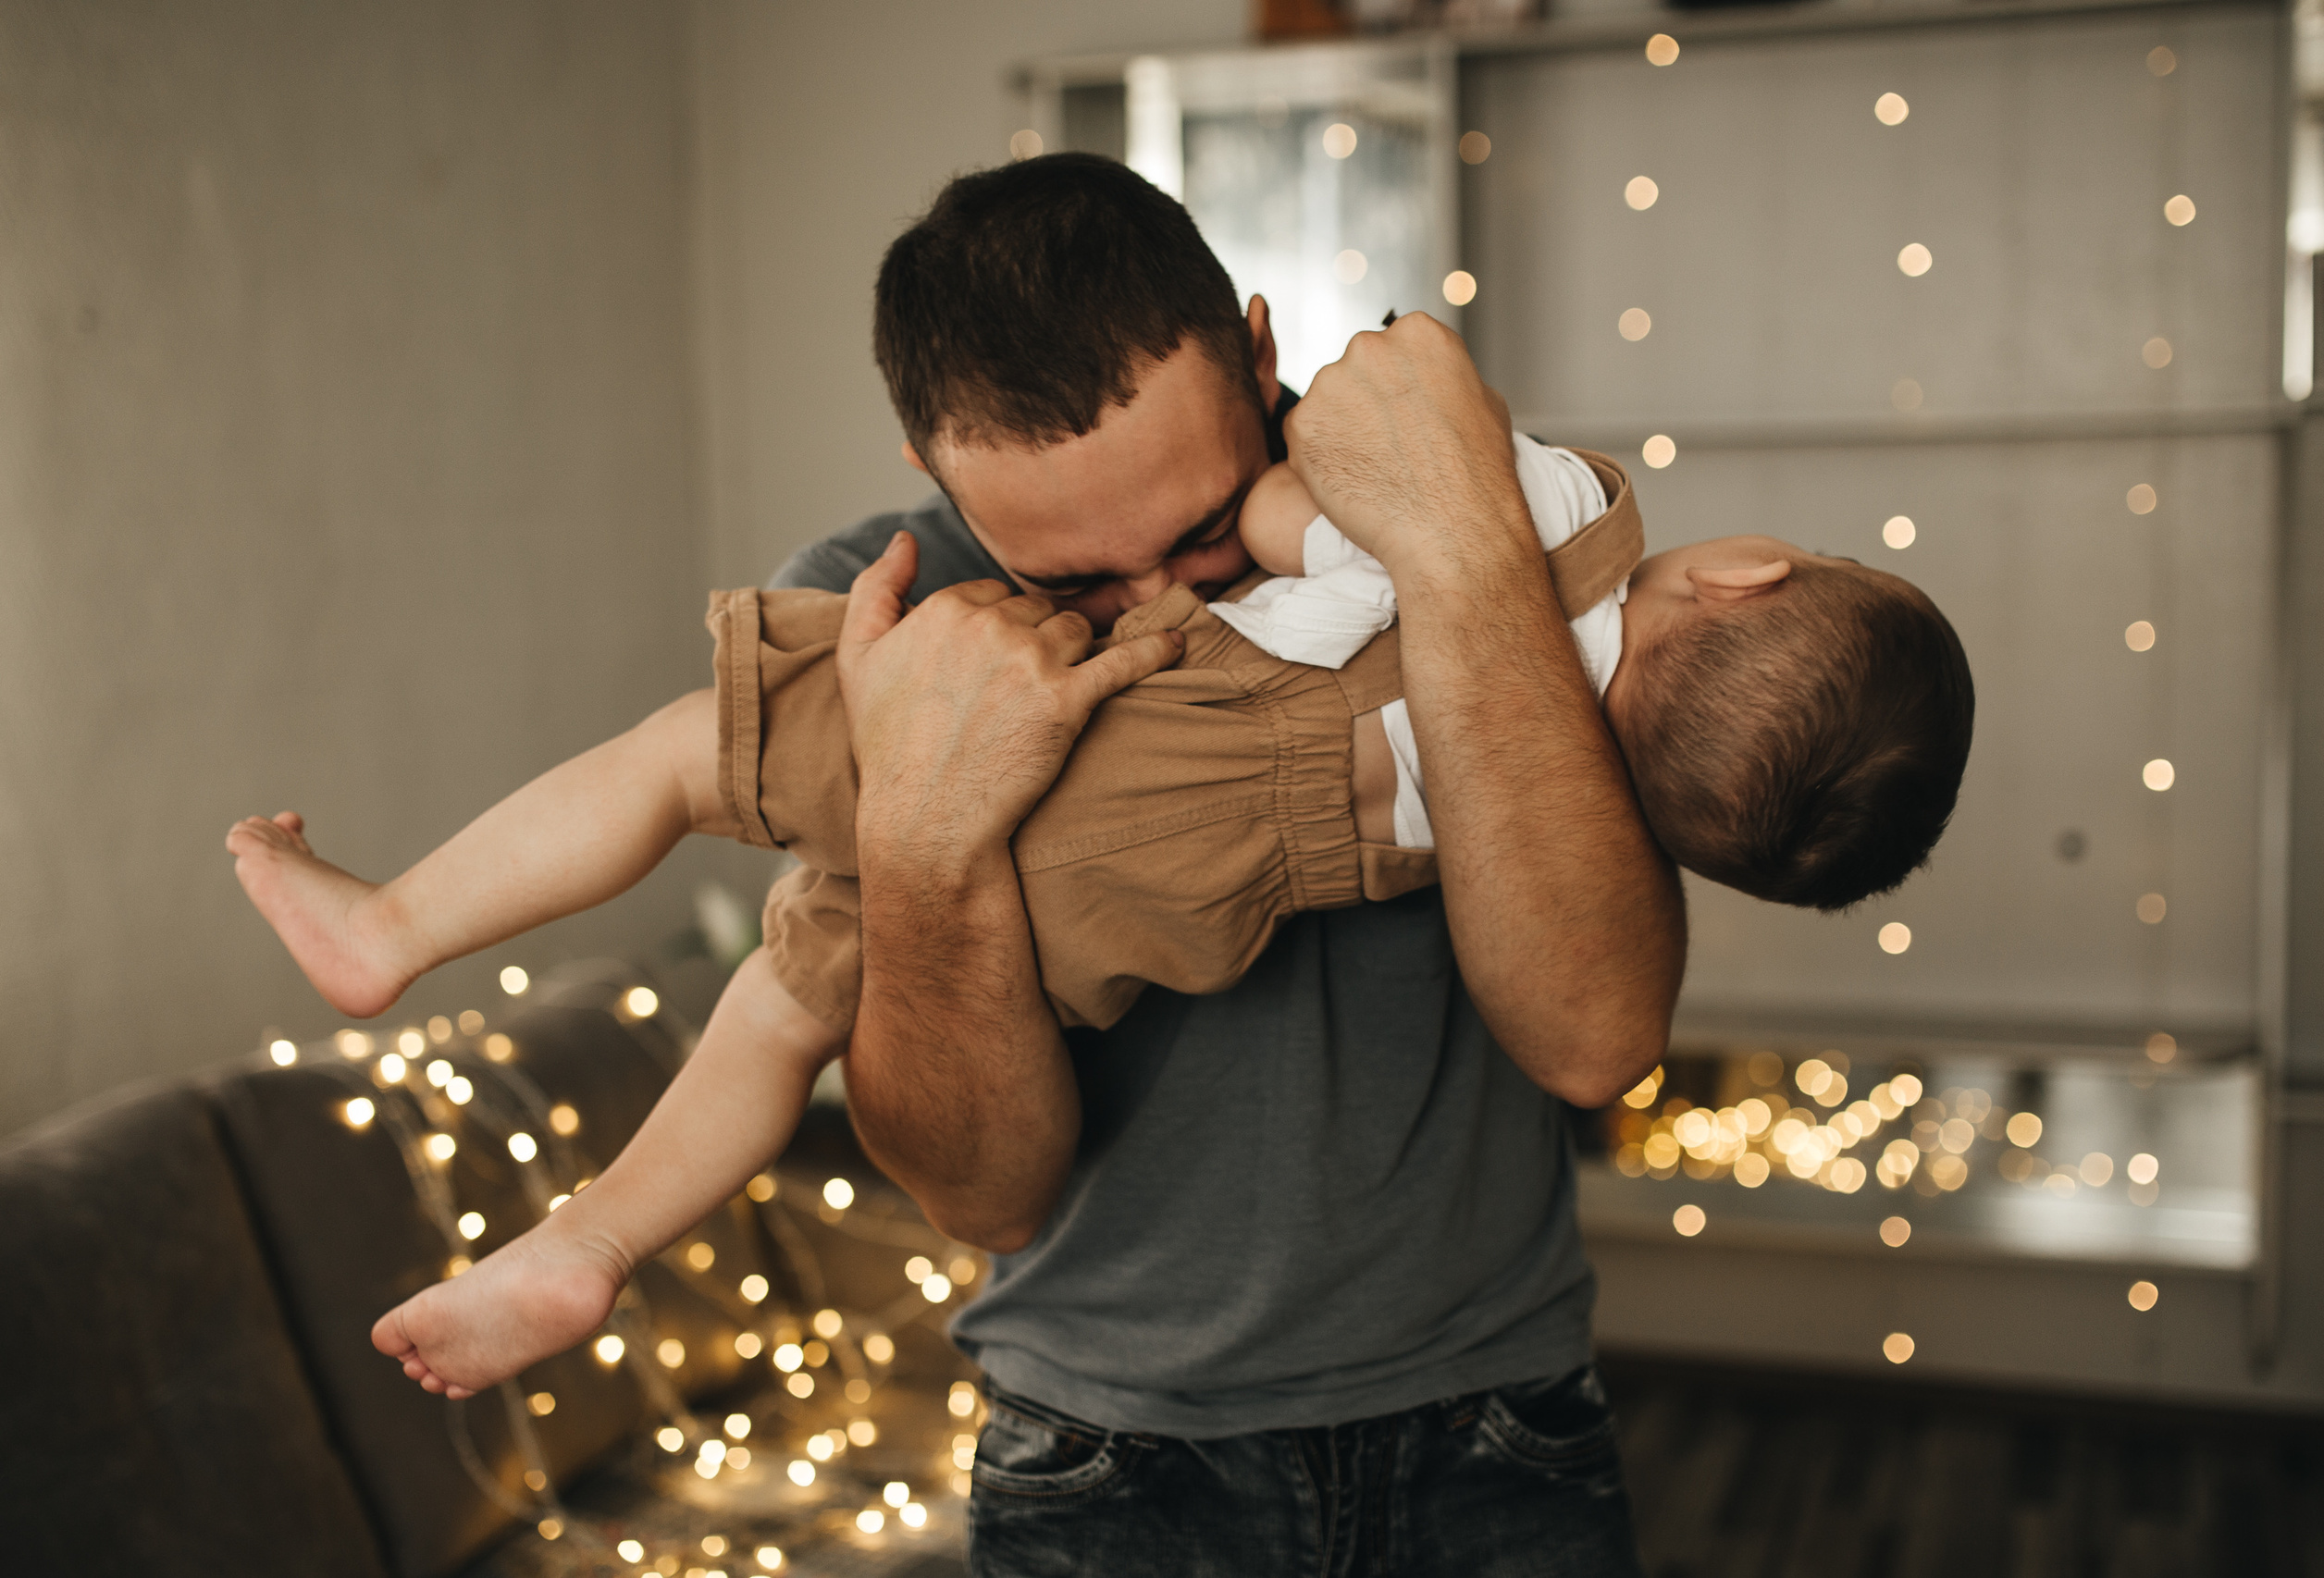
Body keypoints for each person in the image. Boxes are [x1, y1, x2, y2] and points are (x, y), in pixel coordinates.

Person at [225, 154, 1957, 1574]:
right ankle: (579, 1226)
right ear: (935, 468)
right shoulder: (883, 590)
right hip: (1112, 1461)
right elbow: (982, 1193)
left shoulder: (1471, 528)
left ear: (1260, 346)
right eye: (1070, 563)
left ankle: (424, 972)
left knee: (728, 863)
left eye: (1206, 529)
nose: (1160, 605)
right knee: (780, 986)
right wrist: (924, 833)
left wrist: (1453, 542)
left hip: (1486, 1419)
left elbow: (1594, 1034)